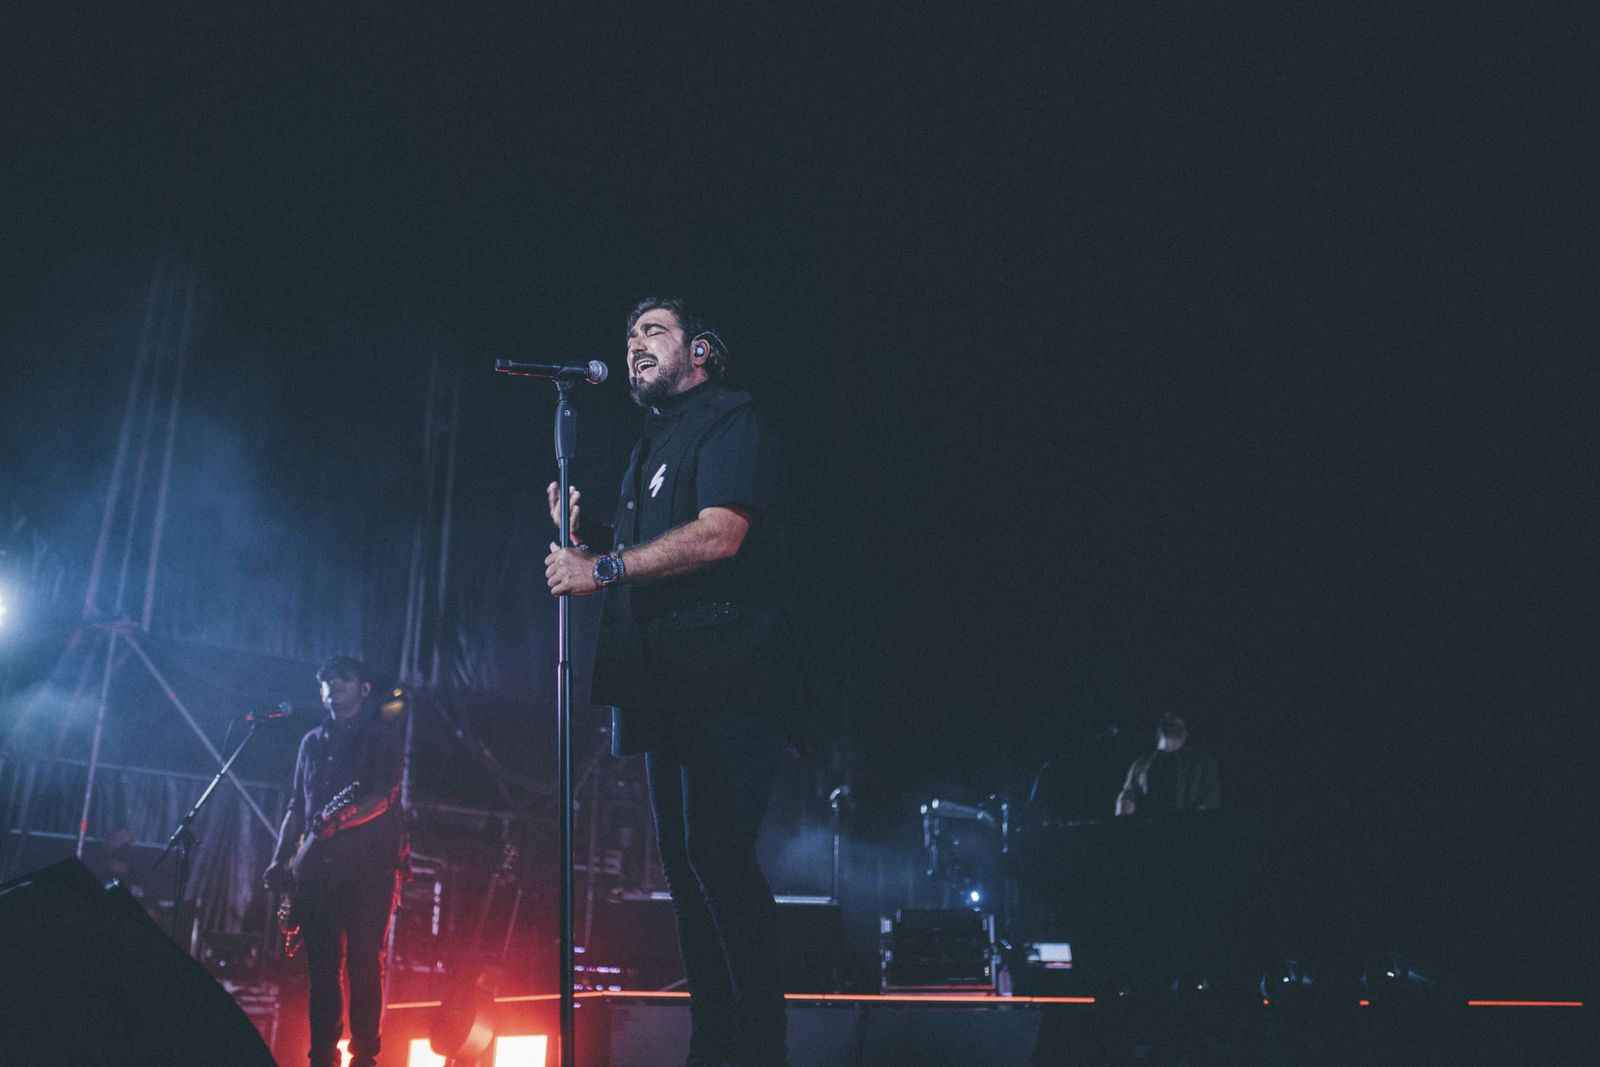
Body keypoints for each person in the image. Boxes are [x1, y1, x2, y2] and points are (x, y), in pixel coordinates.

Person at [544, 297, 808, 1067]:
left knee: (718, 855)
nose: (635, 343)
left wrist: (603, 567)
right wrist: (586, 535)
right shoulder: (648, 448)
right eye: (629, 333)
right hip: (663, 684)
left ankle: (761, 1049)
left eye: (654, 330)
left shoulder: (731, 419)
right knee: (686, 875)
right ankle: (713, 1046)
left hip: (730, 675)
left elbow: (720, 533)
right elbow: (650, 549)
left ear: (700, 351)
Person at [263, 655, 406, 1067]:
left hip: (367, 872)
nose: (334, 684)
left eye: (344, 678)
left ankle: (364, 1057)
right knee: (322, 971)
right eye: (327, 679)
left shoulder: (381, 736)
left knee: (364, 965)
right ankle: (323, 1056)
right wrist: (281, 858)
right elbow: (297, 804)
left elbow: (383, 797)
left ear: (364, 688)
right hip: (315, 873)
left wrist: (340, 822)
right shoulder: (311, 742)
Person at [1114, 712, 1220, 817]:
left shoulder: (1202, 761)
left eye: (1175, 721)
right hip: (1150, 826)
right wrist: (1124, 808)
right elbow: (1127, 796)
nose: (1170, 715)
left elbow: (1209, 801)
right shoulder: (1140, 764)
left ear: (1185, 732)